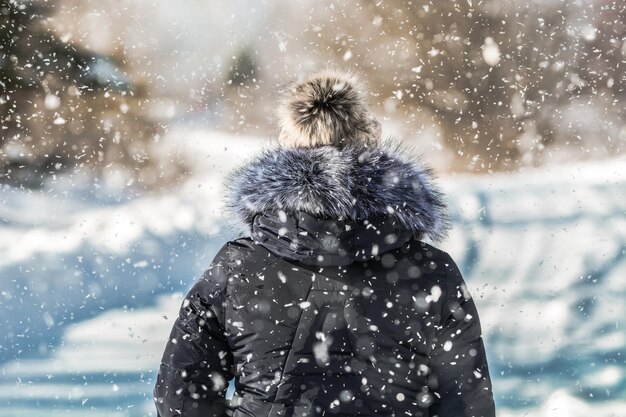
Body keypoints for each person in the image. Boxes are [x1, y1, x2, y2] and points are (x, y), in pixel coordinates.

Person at [153, 69, 496, 417]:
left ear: (288, 146)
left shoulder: (238, 267)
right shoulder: (429, 271)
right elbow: (467, 404)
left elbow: (179, 397)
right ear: (369, 139)